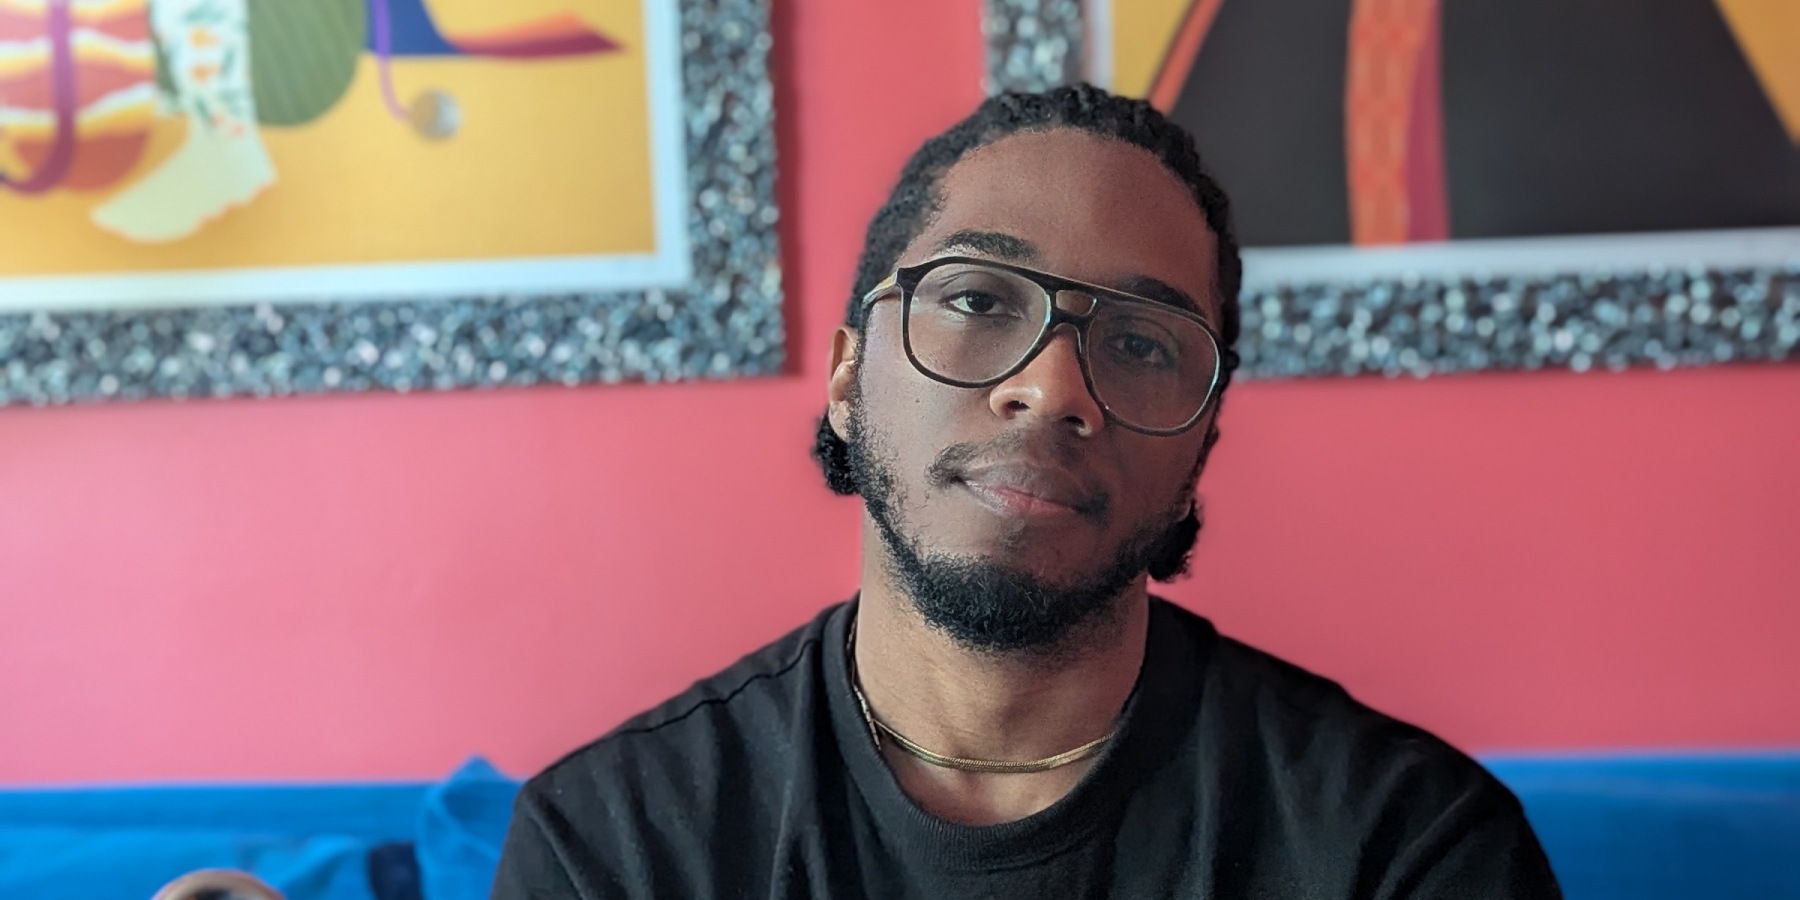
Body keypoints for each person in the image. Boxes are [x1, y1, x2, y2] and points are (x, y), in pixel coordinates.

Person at [491, 84, 1563, 899]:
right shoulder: (615, 847)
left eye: (1141, 342)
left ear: (1205, 439)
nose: (1051, 389)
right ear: (852, 375)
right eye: (975, 297)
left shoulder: (1403, 844)